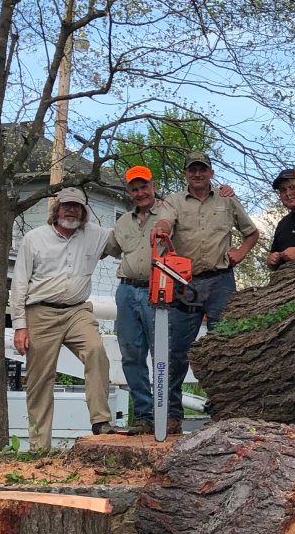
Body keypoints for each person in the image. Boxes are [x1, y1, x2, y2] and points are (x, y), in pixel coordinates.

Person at [103, 165, 235, 436]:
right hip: (127, 290)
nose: (140, 193)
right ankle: (145, 416)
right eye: (135, 188)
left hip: (160, 292)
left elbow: (197, 232)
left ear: (153, 186)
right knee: (131, 355)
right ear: (130, 192)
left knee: (165, 354)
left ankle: (168, 413)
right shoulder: (123, 221)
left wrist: (223, 194)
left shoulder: (171, 210)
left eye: (144, 187)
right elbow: (109, 248)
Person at [150, 152, 259, 433]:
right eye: (192, 170)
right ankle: (172, 415)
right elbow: (164, 222)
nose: (197, 174)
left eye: (203, 169)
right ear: (185, 174)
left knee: (222, 346)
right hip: (184, 282)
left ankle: (222, 411)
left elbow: (251, 232)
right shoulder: (174, 200)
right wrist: (161, 230)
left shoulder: (226, 199)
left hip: (221, 280)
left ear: (211, 173)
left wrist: (241, 252)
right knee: (176, 350)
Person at [10, 188, 118, 453]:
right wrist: (19, 326)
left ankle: (101, 421)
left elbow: (128, 237)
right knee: (40, 380)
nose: (71, 211)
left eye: (77, 207)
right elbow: (19, 284)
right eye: (66, 206)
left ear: (84, 212)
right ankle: (39, 447)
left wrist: (157, 208)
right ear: (56, 209)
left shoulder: (97, 235)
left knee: (95, 351)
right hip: (40, 313)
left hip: (77, 311)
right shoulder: (34, 239)